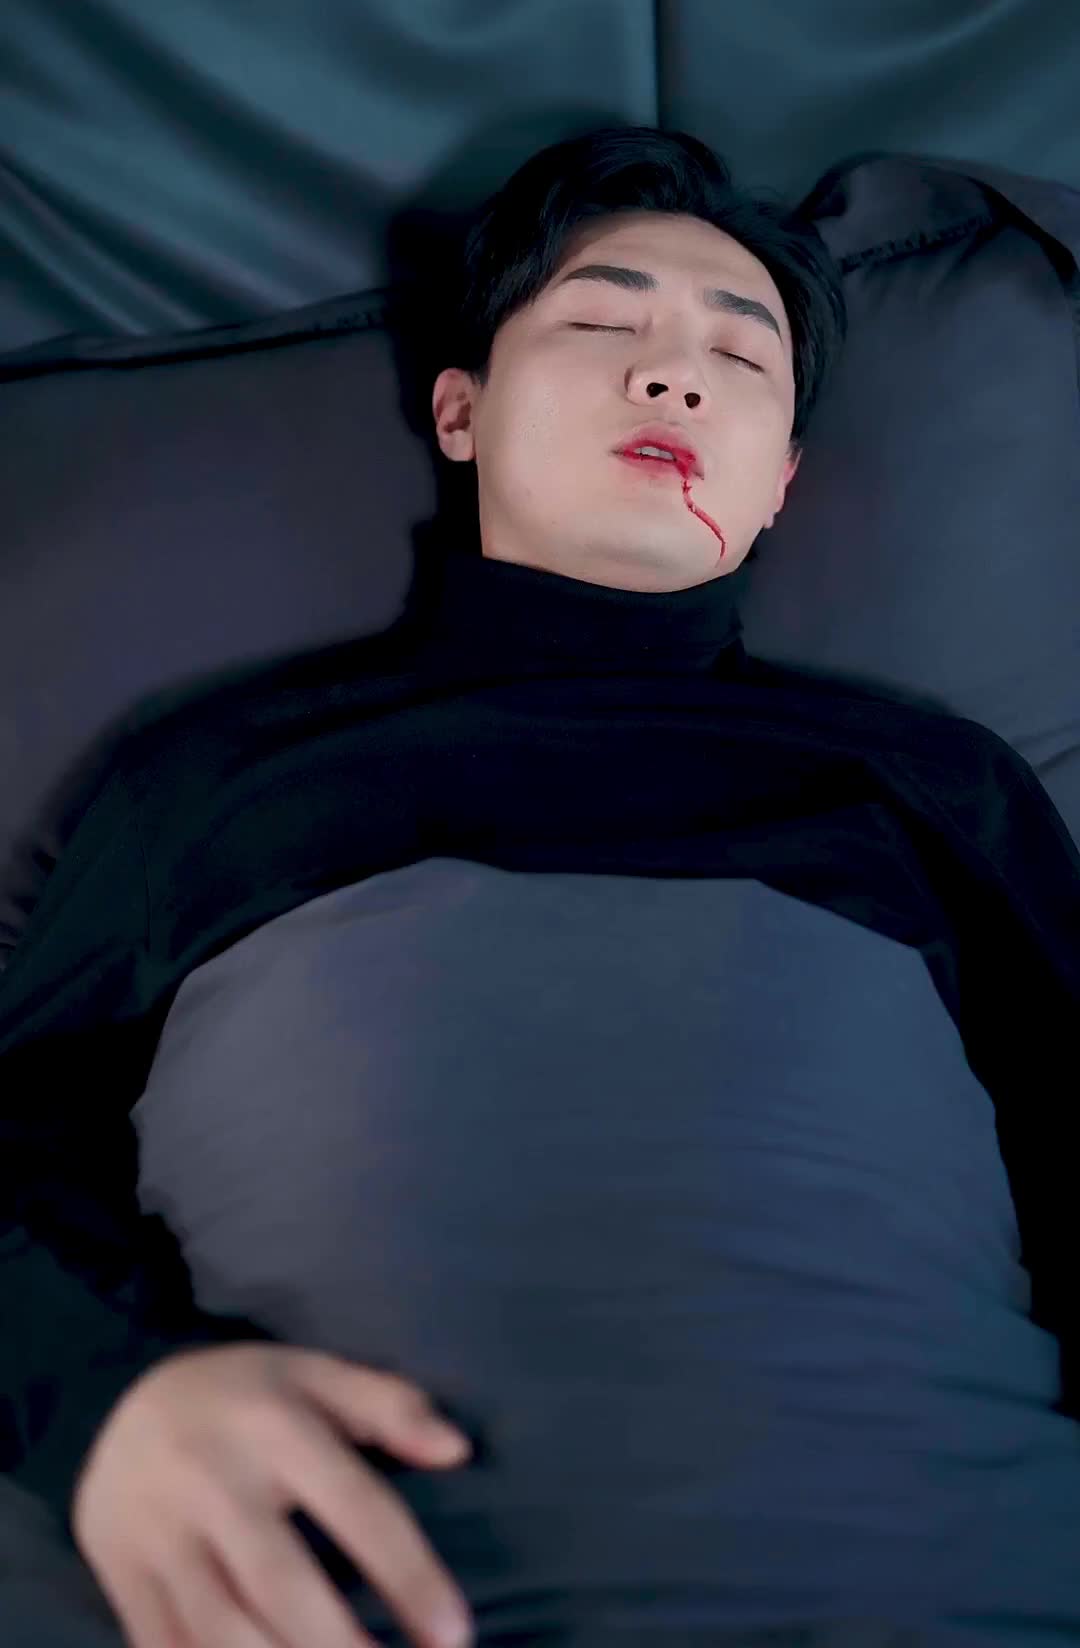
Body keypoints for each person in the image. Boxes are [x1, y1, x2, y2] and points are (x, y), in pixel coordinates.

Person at [2, 126, 1079, 1648]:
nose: (675, 376)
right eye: (599, 321)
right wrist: (106, 1405)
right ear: (460, 409)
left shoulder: (932, 784)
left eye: (740, 355)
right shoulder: (221, 773)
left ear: (780, 483)